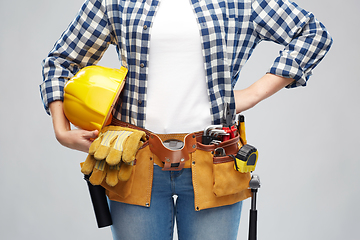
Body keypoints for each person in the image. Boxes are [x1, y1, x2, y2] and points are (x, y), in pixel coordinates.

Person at [40, 0, 332, 239]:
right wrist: (61, 130)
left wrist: (254, 93)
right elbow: (61, 61)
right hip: (134, 161)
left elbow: (313, 33)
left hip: (213, 160)